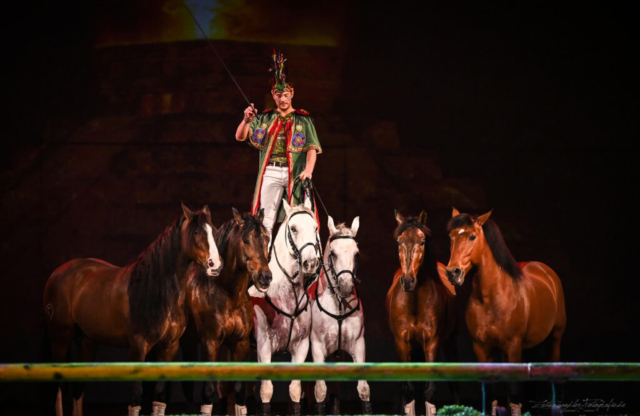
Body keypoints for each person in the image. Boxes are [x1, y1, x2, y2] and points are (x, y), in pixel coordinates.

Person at [235, 50, 322, 242]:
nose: (282, 98)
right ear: (273, 96)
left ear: (292, 93)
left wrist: (308, 170)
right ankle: (264, 259)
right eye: (277, 94)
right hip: (271, 171)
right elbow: (240, 136)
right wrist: (246, 120)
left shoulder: (303, 119)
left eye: (285, 94)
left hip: (295, 173)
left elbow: (311, 149)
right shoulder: (265, 118)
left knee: (299, 219)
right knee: (265, 219)